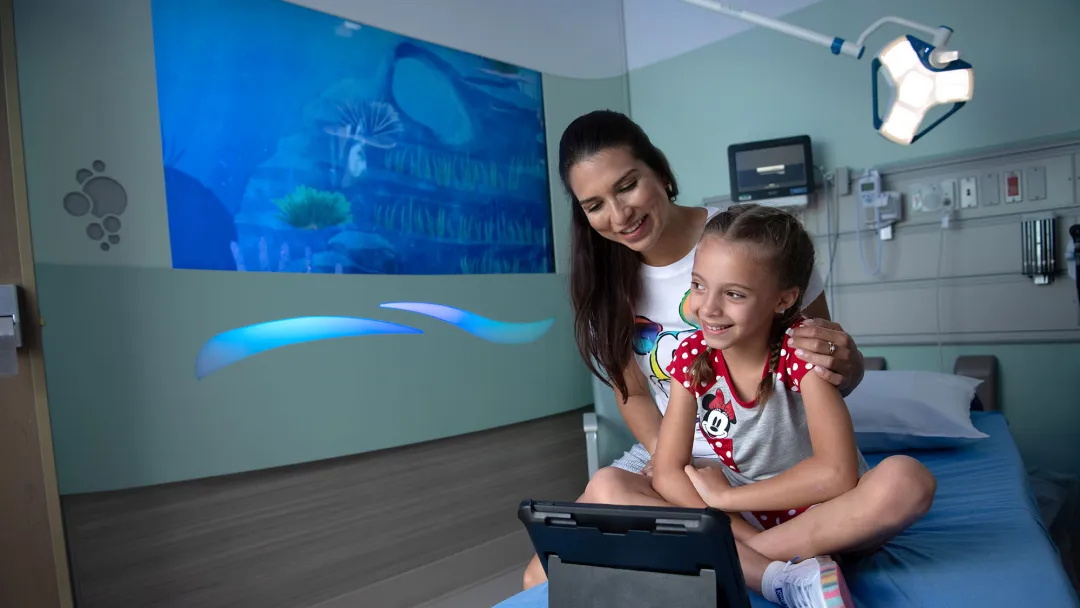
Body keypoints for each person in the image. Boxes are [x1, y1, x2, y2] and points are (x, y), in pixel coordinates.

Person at [522, 109, 882, 592]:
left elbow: (818, 359)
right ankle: (774, 562)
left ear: (661, 172)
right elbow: (632, 394)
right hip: (674, 452)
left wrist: (849, 363)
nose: (619, 214)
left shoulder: (748, 240)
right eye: (594, 205)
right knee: (539, 573)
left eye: (627, 186)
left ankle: (748, 556)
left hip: (762, 448)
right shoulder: (604, 287)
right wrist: (668, 460)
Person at [651, 203, 935, 607]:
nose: (708, 308)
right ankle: (774, 568)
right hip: (746, 520)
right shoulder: (692, 354)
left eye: (733, 294)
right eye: (698, 285)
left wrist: (724, 501)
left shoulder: (803, 350)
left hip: (825, 512)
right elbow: (666, 471)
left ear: (784, 299)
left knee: (908, 480)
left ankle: (735, 562)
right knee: (610, 485)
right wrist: (734, 521)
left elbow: (837, 475)